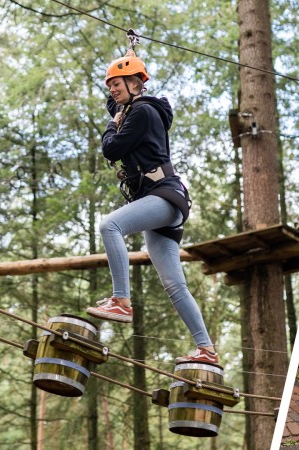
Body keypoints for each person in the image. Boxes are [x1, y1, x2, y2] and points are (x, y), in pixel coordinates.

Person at [86, 50, 218, 366]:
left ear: (135, 83)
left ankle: (120, 301)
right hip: (162, 201)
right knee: (174, 284)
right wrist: (128, 59)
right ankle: (206, 349)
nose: (112, 91)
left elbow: (111, 148)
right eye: (110, 86)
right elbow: (116, 106)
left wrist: (109, 124)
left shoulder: (143, 112)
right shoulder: (136, 108)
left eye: (116, 84)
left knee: (110, 226)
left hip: (164, 196)